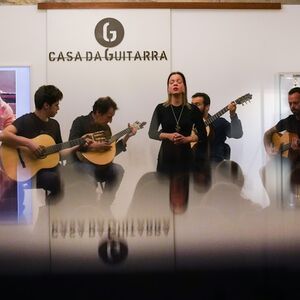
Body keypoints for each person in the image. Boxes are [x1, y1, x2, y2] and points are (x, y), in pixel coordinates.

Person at [148, 71, 207, 207]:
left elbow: (203, 135)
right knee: (163, 195)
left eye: (179, 81)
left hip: (185, 158)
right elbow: (151, 133)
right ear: (168, 88)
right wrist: (168, 136)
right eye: (171, 82)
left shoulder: (192, 109)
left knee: (185, 195)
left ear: (184, 87)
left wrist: (187, 139)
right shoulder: (161, 108)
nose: (175, 84)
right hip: (166, 157)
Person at [1, 85, 65, 199]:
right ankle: (47, 213)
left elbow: (59, 152)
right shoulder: (26, 120)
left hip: (49, 167)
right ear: (46, 105)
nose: (58, 108)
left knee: (73, 176)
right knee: (56, 180)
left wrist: (79, 146)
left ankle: (51, 212)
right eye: (56, 105)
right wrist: (28, 143)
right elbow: (4, 134)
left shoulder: (55, 125)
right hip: (28, 170)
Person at [68, 96, 137, 201]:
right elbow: (71, 144)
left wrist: (127, 136)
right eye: (109, 117)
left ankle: (105, 205)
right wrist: (93, 146)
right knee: (90, 170)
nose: (110, 121)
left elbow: (109, 154)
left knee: (118, 170)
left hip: (99, 166)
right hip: (78, 164)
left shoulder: (106, 128)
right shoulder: (80, 122)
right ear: (98, 112)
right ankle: (90, 207)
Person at [263, 87, 300, 208]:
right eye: (290, 103)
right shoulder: (288, 121)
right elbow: (268, 134)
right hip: (287, 160)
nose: (292, 106)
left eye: (296, 103)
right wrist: (269, 149)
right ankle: (277, 205)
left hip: (298, 163)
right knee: (264, 171)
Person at [191, 92, 243, 163]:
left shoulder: (220, 122)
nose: (193, 107)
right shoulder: (187, 123)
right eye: (192, 105)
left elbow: (237, 134)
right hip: (193, 166)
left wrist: (233, 115)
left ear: (207, 107)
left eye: (197, 104)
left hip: (215, 166)